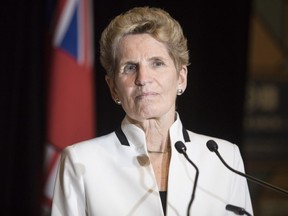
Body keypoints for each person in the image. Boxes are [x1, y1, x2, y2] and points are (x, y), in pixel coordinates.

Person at [51, 6, 253, 216]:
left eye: (157, 63)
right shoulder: (81, 161)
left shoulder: (224, 158)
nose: (143, 79)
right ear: (113, 88)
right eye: (130, 67)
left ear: (181, 78)